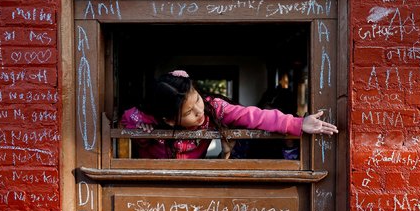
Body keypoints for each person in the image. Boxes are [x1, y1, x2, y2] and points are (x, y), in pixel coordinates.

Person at [120, 70, 338, 159]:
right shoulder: (143, 117)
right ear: (168, 119)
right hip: (153, 179)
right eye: (188, 112)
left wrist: (298, 124)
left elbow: (256, 115)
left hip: (194, 176)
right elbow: (126, 122)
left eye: (197, 99)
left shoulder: (214, 107)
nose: (199, 111)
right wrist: (141, 135)